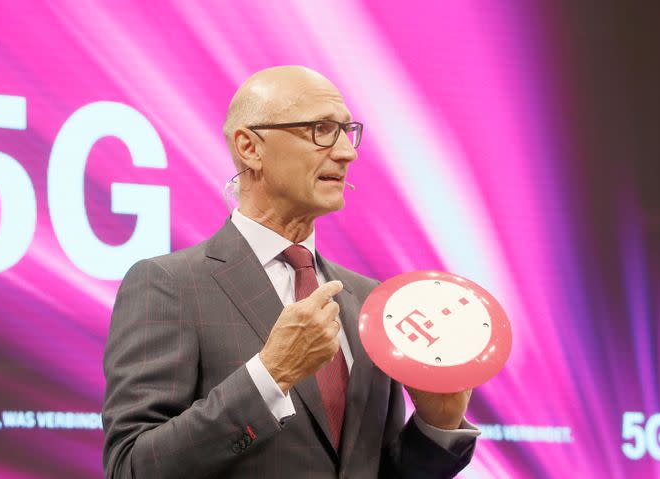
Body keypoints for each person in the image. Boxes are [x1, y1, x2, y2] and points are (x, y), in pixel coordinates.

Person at [102, 66, 479, 478]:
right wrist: (269, 375)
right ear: (249, 147)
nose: (346, 152)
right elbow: (132, 467)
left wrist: (436, 424)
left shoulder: (372, 301)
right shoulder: (170, 284)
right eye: (320, 129)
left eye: (346, 131)